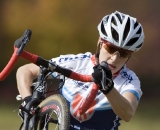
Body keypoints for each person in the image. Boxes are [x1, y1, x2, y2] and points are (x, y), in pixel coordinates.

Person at [16, 11, 144, 130]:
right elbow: (25, 70)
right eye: (110, 48)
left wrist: (108, 88)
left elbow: (128, 113)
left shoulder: (130, 80)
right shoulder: (77, 62)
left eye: (123, 53)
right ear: (100, 42)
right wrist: (27, 100)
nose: (115, 58)